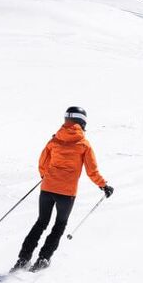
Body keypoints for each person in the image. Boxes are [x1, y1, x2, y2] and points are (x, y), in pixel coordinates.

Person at [12, 107, 114, 272]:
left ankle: (23, 259)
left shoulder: (54, 140)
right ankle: (43, 259)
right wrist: (103, 185)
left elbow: (42, 162)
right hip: (66, 193)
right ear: (82, 122)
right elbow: (92, 171)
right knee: (59, 225)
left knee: (41, 222)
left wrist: (46, 176)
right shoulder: (84, 145)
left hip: (47, 189)